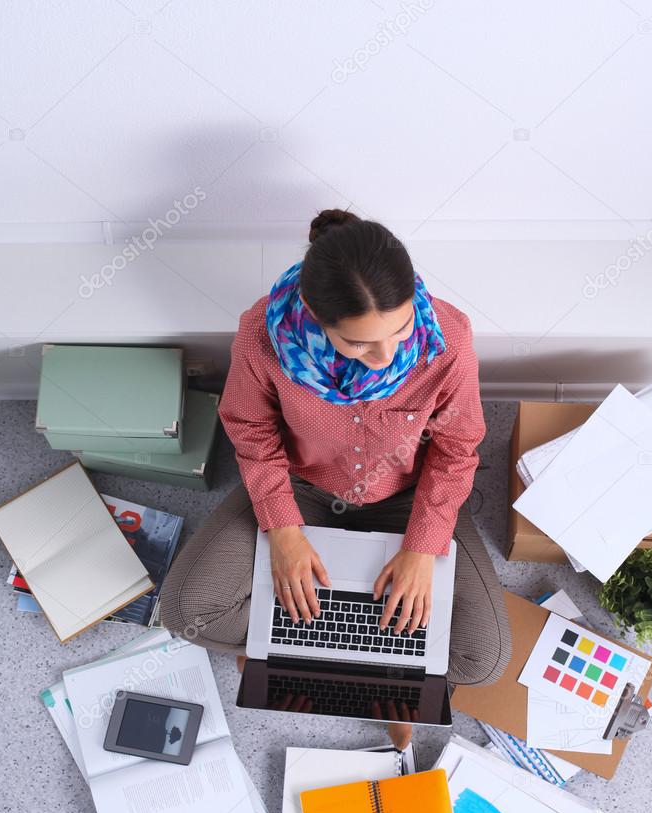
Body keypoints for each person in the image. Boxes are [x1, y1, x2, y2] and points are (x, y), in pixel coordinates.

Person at [159, 209, 511, 749]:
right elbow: (251, 432)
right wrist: (283, 530)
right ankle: (367, 669)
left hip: (408, 497)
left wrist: (422, 549)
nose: (387, 357)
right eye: (359, 344)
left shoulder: (450, 339)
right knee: (185, 612)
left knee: (483, 660)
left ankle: (303, 655)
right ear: (317, 318)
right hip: (304, 488)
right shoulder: (262, 335)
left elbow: (458, 448)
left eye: (400, 328)